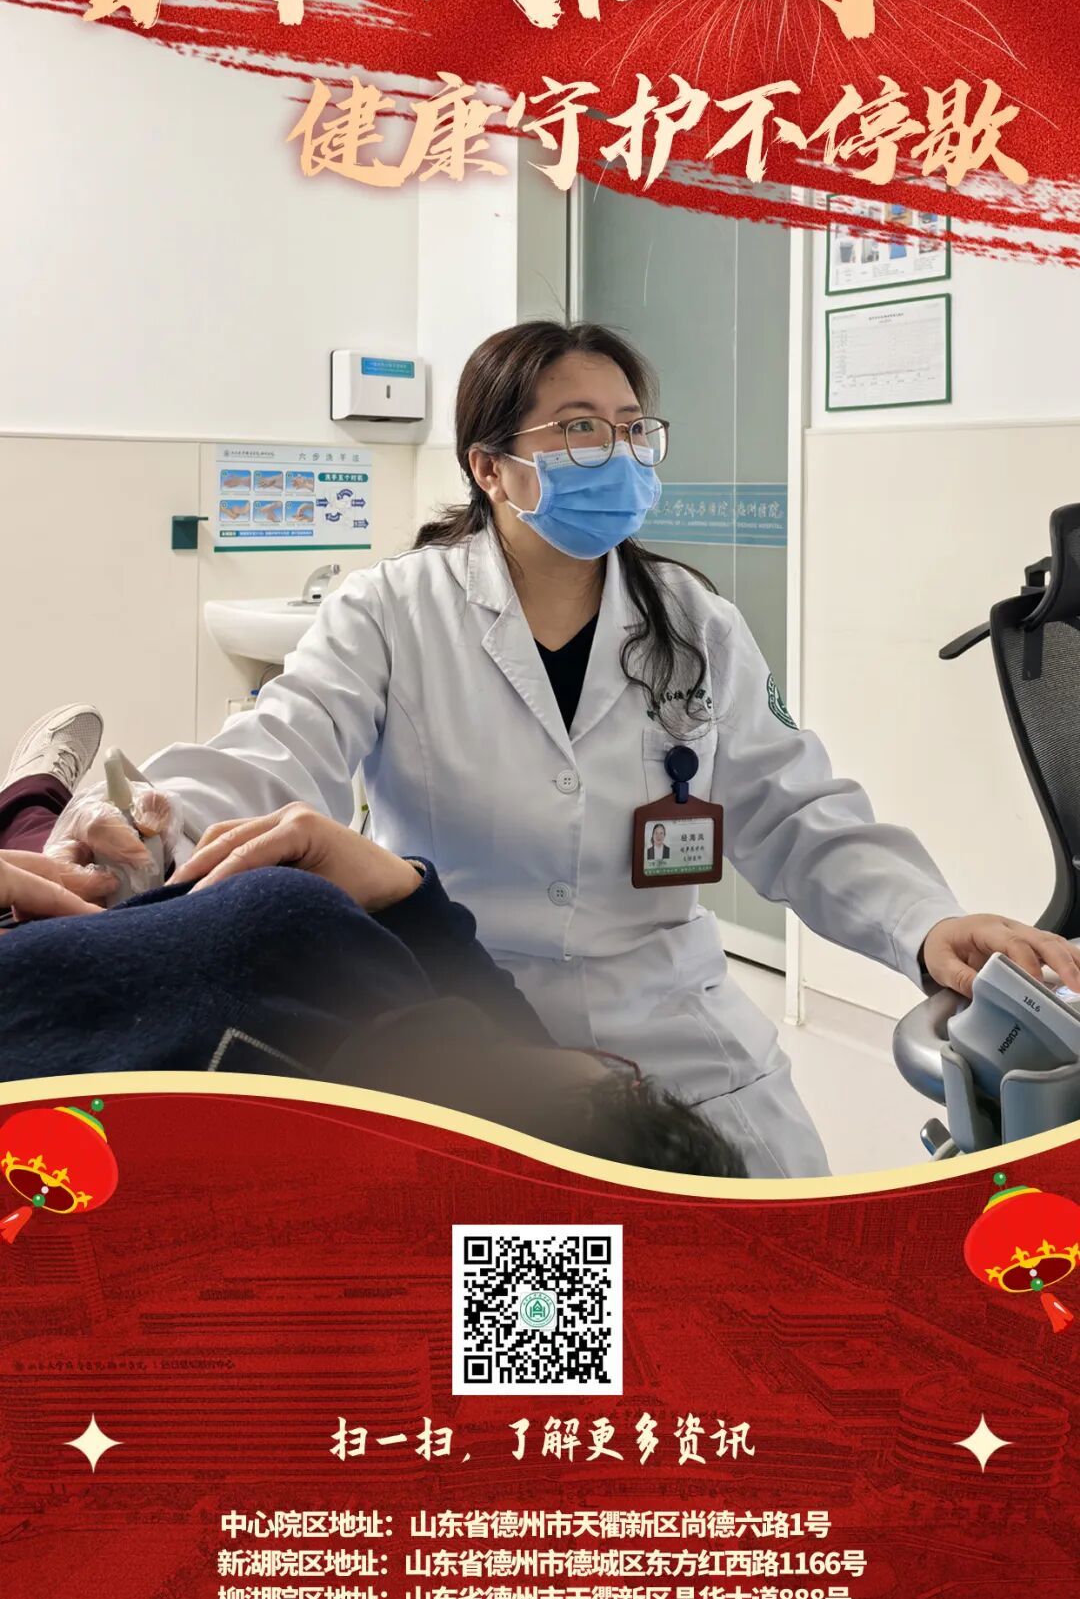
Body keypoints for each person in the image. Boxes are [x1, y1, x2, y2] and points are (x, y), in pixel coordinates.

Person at [47, 322, 1080, 1178]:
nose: (617, 454)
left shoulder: (693, 620)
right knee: (543, 1308)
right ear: (490, 466)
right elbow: (281, 741)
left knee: (755, 1278)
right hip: (468, 1014)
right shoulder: (393, 611)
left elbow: (793, 809)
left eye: (633, 429)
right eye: (581, 429)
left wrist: (925, 922)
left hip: (676, 1020)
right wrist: (142, 824)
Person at [0, 708, 746, 1178]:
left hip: (100, 928)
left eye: (623, 1084)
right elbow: (293, 728)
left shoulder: (296, 957)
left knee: (68, 858)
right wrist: (407, 892)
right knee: (95, 862)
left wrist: (145, 830)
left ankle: (34, 795)